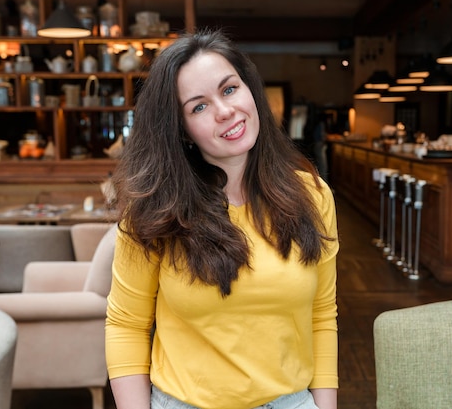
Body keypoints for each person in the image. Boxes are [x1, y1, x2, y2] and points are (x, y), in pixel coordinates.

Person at [105, 28, 339, 409]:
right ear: (182, 131)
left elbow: (322, 315)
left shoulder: (312, 195)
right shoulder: (154, 208)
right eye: (199, 106)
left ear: (250, 90)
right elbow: (126, 326)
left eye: (229, 89)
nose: (225, 111)